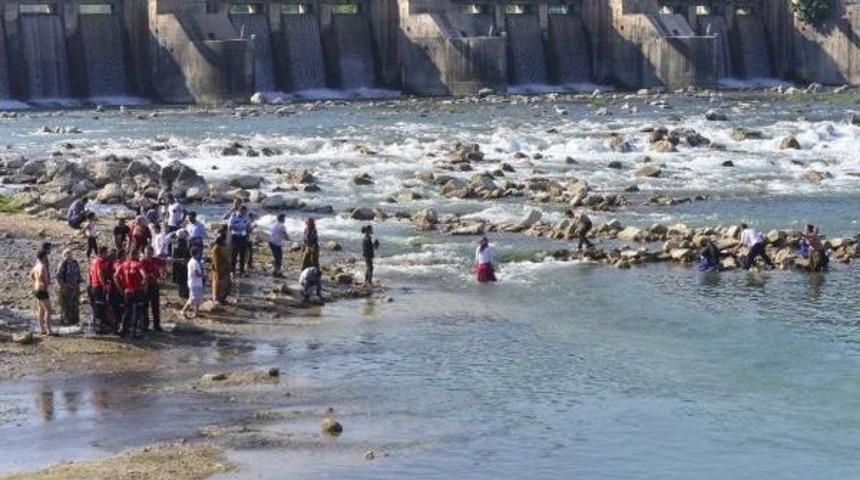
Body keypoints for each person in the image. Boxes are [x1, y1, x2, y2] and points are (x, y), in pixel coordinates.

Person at [113, 249, 148, 338]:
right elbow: (145, 275)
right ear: (136, 255)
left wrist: (120, 288)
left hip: (127, 291)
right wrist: (143, 285)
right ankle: (134, 331)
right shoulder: (138, 264)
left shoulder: (124, 264)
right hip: (136, 290)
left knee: (127, 310)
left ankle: (123, 329)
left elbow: (115, 276)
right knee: (136, 311)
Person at [140, 246, 166, 332]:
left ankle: (156, 325)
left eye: (150, 253)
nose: (148, 255)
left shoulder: (156, 260)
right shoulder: (142, 261)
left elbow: (163, 264)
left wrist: (163, 274)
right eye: (147, 253)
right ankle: (145, 325)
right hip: (146, 285)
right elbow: (142, 273)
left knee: (155, 305)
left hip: (154, 285)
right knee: (145, 306)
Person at [30, 249, 55, 336]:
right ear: (44, 256)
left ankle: (42, 329)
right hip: (42, 290)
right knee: (48, 310)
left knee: (41, 310)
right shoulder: (42, 266)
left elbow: (31, 275)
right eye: (46, 256)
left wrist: (36, 282)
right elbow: (40, 276)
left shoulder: (36, 266)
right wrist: (43, 283)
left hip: (36, 289)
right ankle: (49, 330)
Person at [56, 249, 82, 326]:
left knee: (75, 304)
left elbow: (78, 274)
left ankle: (75, 321)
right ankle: (66, 321)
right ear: (63, 255)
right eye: (66, 254)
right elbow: (59, 277)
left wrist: (79, 283)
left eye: (70, 253)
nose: (68, 255)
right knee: (66, 306)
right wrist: (64, 286)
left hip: (75, 288)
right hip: (66, 288)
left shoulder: (75, 263)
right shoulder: (62, 264)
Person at [88, 247, 111, 334]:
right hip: (99, 286)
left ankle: (98, 326)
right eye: (106, 253)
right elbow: (99, 272)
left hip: (94, 285)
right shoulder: (101, 261)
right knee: (100, 307)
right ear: (102, 253)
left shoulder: (94, 261)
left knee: (97, 306)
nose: (107, 255)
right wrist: (104, 284)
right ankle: (99, 327)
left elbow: (90, 273)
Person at [227, 205, 252, 275]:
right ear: (239, 210)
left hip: (243, 237)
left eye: (245, 212)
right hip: (235, 236)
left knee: (242, 254)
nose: (244, 213)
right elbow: (230, 227)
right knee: (234, 254)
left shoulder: (247, 217)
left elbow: (248, 227)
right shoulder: (233, 216)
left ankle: (241, 270)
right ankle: (232, 270)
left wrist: (248, 230)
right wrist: (239, 228)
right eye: (242, 212)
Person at [181, 246, 205, 319]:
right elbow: (196, 273)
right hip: (194, 283)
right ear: (197, 253)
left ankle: (196, 313)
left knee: (198, 299)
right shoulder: (194, 263)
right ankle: (183, 310)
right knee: (192, 298)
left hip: (197, 283)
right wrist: (203, 275)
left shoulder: (194, 262)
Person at [211, 235, 232, 304]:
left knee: (222, 285)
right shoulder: (217, 249)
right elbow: (217, 261)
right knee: (221, 285)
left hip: (221, 269)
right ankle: (219, 299)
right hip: (221, 270)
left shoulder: (217, 248)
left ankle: (220, 298)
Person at [172, 230, 191, 300]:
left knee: (180, 280)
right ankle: (184, 293)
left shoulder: (176, 242)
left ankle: (181, 293)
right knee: (184, 279)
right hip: (183, 264)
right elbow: (186, 253)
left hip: (177, 264)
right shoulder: (183, 243)